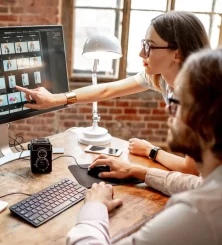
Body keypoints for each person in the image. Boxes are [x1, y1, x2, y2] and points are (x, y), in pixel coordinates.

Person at [16, 11, 210, 175]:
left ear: (177, 53)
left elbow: (190, 169)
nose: (141, 54)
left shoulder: (200, 96)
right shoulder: (160, 78)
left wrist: (151, 151)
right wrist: (56, 99)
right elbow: (107, 89)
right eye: (144, 44)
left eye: (149, 46)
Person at [67, 47, 222, 245]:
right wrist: (137, 171)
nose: (168, 108)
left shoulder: (200, 213)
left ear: (207, 122)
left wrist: (94, 208)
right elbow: (194, 184)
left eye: (178, 101)